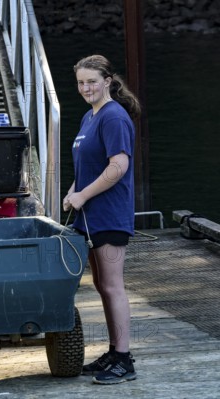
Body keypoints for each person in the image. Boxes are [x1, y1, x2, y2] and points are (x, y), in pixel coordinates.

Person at [63, 54, 141, 385]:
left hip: (109, 214)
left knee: (112, 286)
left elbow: (117, 167)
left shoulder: (114, 117)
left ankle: (124, 361)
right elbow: (87, 166)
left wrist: (83, 196)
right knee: (100, 285)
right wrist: (71, 192)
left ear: (107, 81)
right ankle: (113, 351)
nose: (86, 88)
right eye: (81, 82)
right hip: (89, 216)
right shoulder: (88, 117)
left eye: (92, 81)